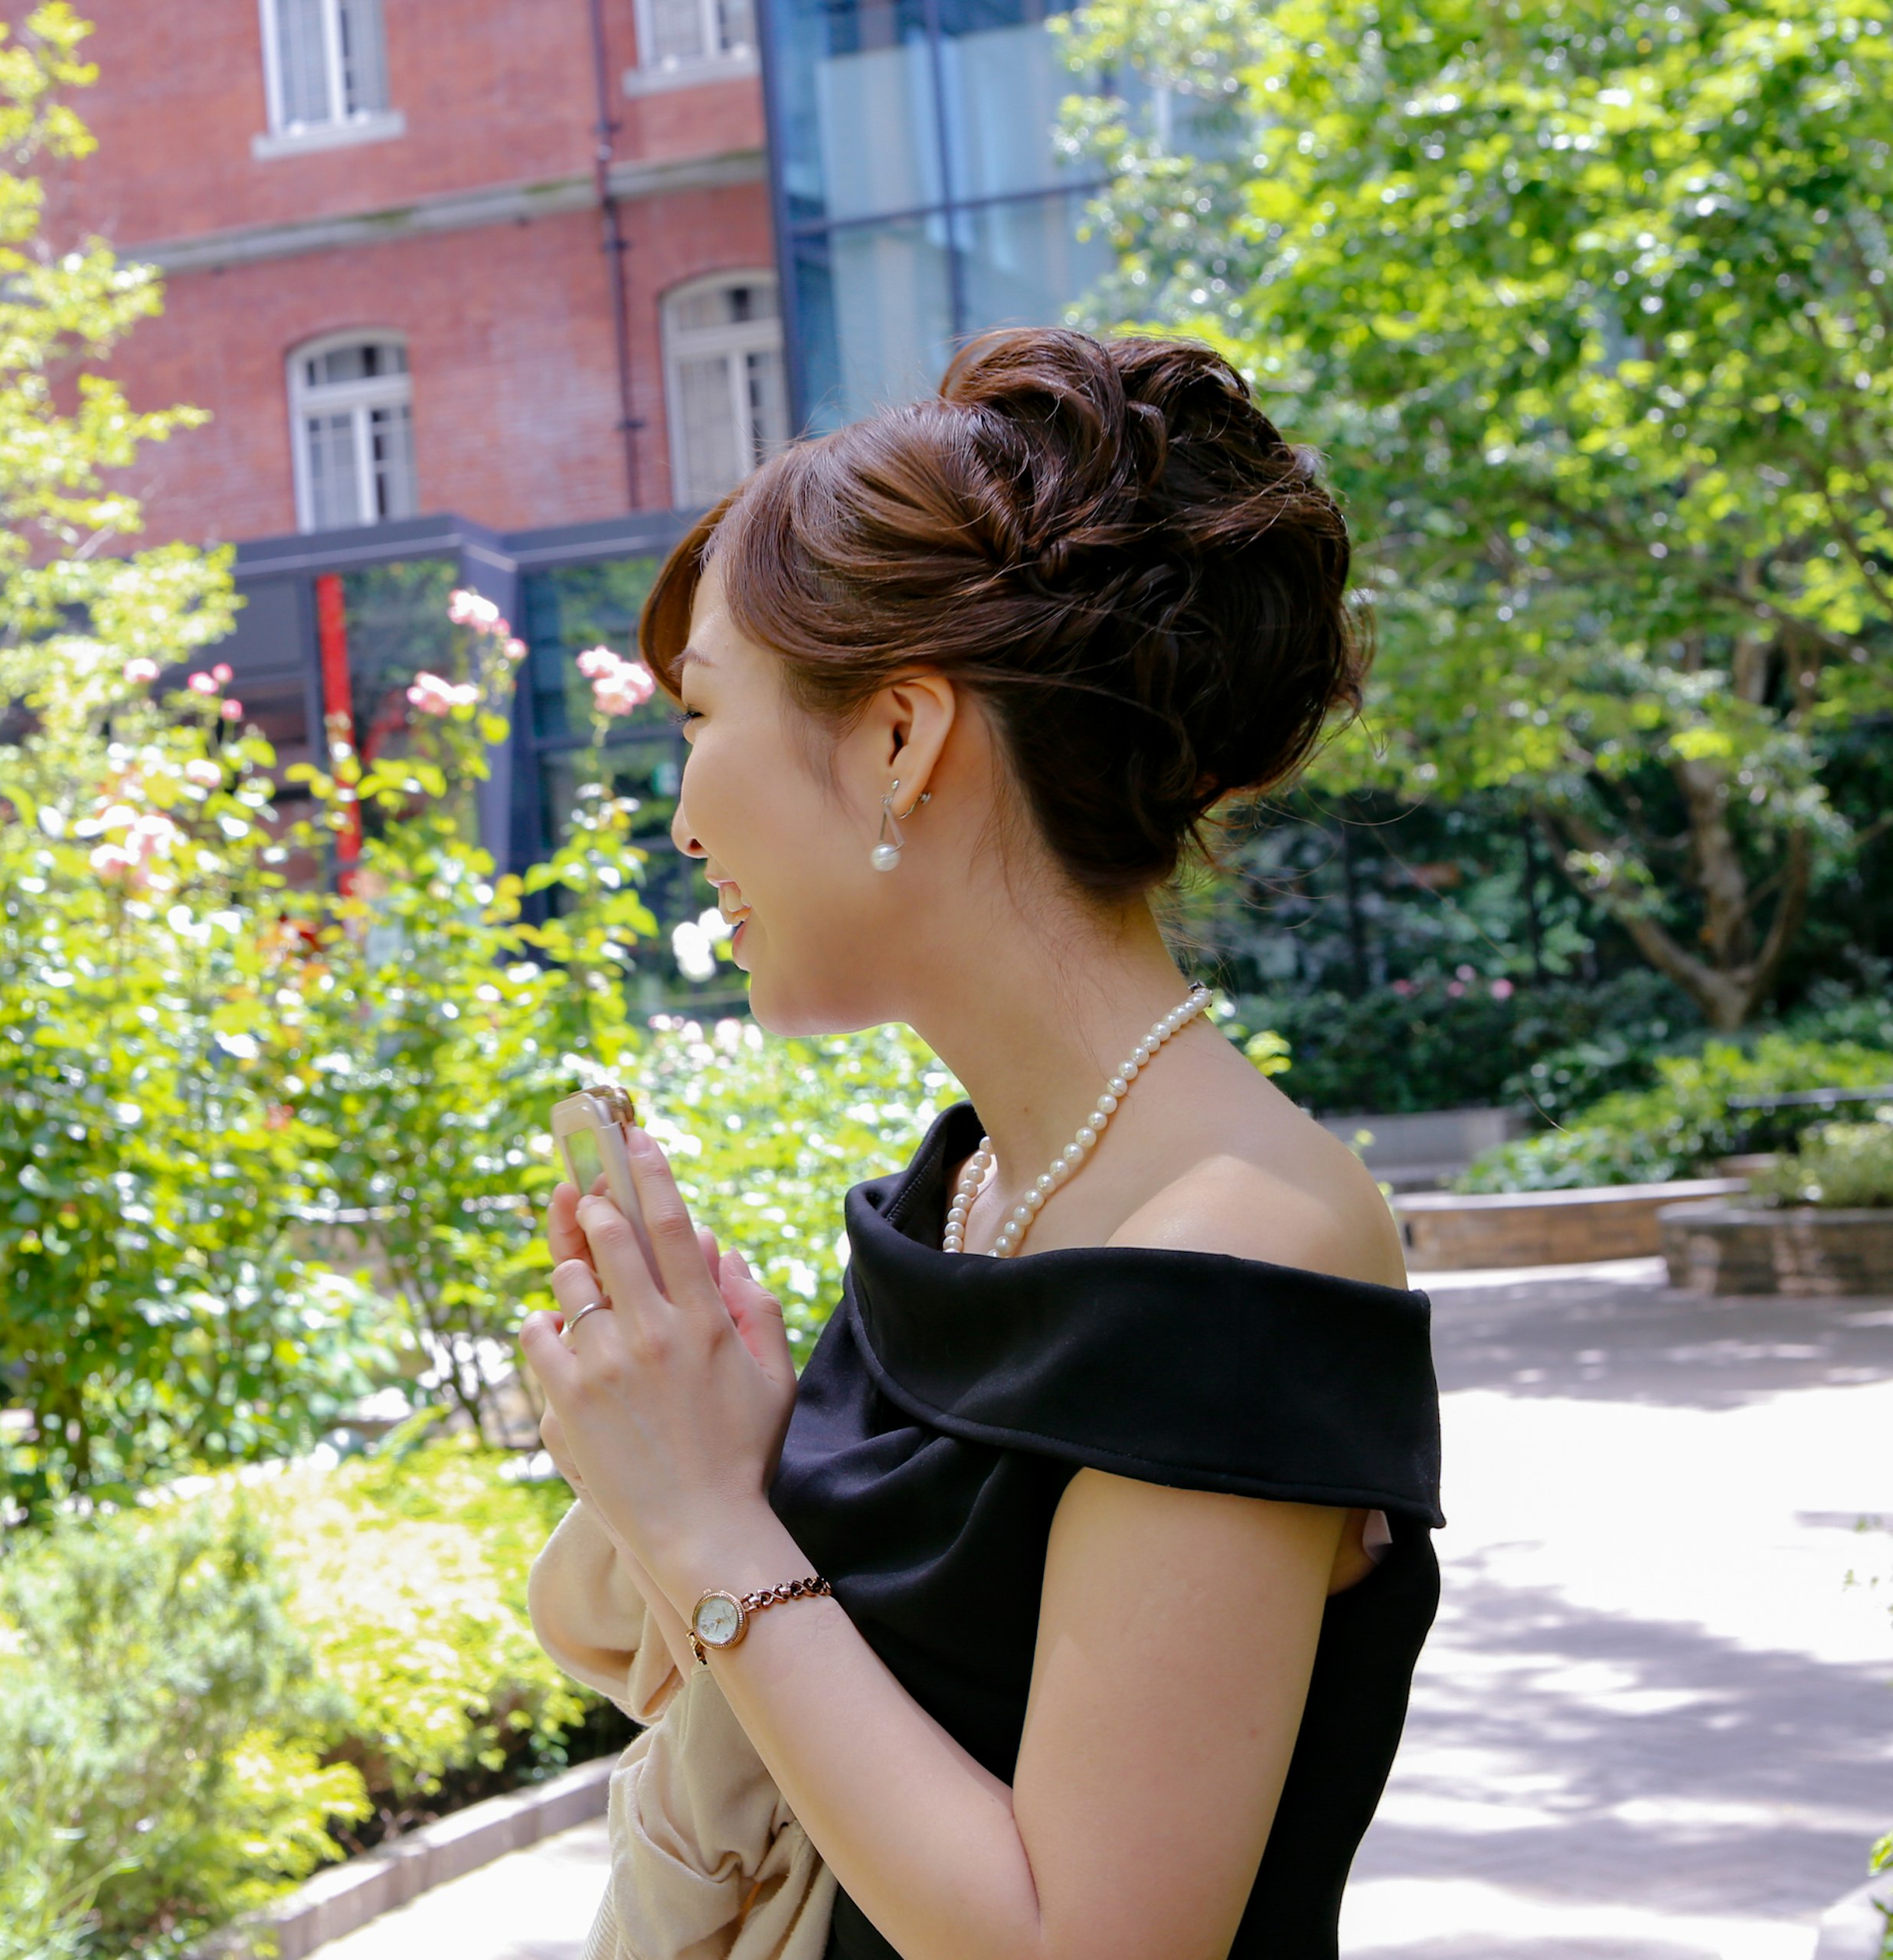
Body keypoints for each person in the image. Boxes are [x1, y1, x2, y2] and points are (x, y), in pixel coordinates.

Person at [520, 327, 1443, 1960]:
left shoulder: (1236, 1244)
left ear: (898, 739)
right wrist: (701, 1450)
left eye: (703, 719)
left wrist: (714, 1525)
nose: (679, 820)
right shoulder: (971, 1192)